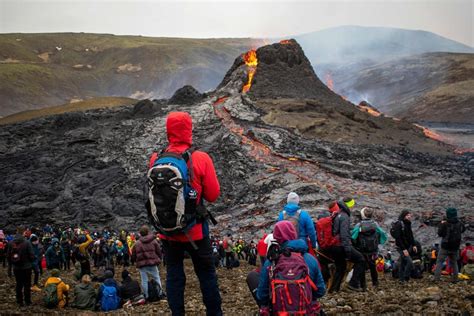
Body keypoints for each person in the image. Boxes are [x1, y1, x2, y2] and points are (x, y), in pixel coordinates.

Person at [148, 112, 222, 315]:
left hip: (167, 232)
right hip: (196, 232)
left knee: (174, 275)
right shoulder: (200, 158)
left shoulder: (156, 159)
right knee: (206, 274)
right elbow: (213, 195)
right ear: (189, 130)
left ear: (168, 131)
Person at [247, 221, 326, 315]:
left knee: (252, 276)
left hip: (280, 312)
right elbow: (321, 291)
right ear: (294, 234)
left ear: (276, 238)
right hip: (306, 311)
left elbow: (262, 295)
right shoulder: (310, 259)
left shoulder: (272, 261)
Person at [332, 199, 366, 291]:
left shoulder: (337, 215)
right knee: (361, 259)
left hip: (335, 245)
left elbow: (335, 232)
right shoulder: (345, 216)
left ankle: (334, 289)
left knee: (340, 268)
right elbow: (344, 234)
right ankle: (353, 283)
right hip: (342, 245)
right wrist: (348, 250)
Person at [351, 207, 387, 289]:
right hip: (373, 250)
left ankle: (363, 286)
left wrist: (355, 245)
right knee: (373, 266)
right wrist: (379, 243)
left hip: (362, 250)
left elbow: (353, 237)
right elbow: (383, 234)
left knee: (362, 267)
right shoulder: (375, 224)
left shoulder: (359, 225)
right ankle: (375, 283)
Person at [433, 208, 466, 282]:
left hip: (445, 247)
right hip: (455, 247)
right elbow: (463, 230)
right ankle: (455, 279)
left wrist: (441, 224)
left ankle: (436, 279)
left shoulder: (445, 224)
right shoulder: (460, 223)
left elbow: (440, 234)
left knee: (439, 262)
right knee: (454, 262)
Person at [131, 225, 163, 300]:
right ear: (148, 232)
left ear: (140, 233)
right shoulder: (154, 241)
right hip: (152, 263)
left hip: (142, 265)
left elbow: (133, 254)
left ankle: (146, 295)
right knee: (156, 277)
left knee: (144, 280)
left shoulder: (137, 243)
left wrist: (134, 260)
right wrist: (160, 258)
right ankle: (160, 293)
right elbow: (159, 251)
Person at [7, 226, 35, 307]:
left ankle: (19, 301)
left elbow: (8, 256)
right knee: (27, 285)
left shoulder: (11, 243)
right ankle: (27, 301)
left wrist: (13, 263)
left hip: (16, 267)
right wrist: (31, 261)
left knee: (18, 284)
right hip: (26, 267)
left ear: (16, 232)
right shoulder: (27, 242)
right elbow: (32, 255)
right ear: (23, 232)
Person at [391, 210, 417, 283]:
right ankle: (406, 277)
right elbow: (398, 238)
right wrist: (404, 249)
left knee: (402, 263)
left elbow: (410, 235)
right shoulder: (399, 224)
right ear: (404, 215)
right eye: (407, 215)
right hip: (401, 247)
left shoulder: (408, 223)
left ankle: (401, 280)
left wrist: (414, 245)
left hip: (408, 246)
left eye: (410, 215)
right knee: (410, 262)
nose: (409, 216)